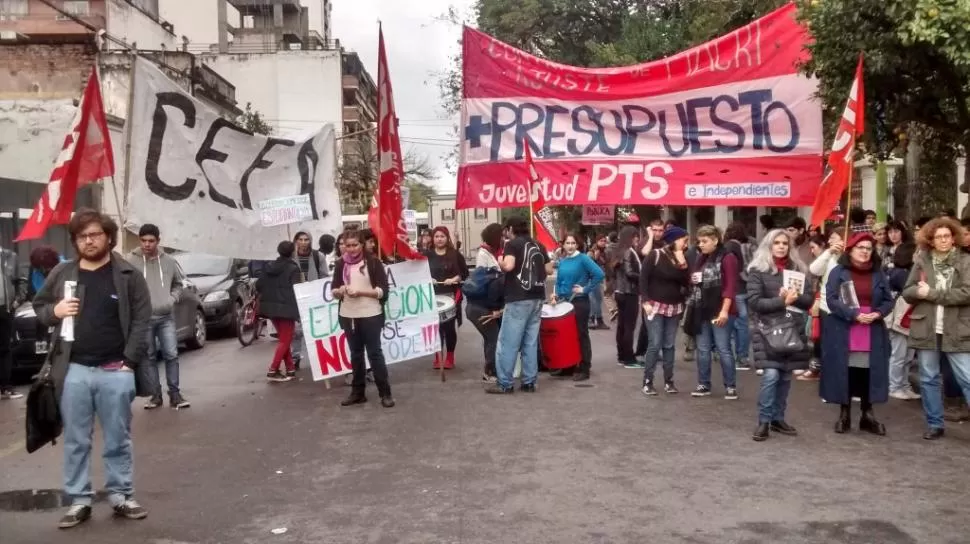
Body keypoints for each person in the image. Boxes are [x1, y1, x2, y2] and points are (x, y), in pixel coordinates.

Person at [33, 209, 152, 528]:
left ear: (109, 237)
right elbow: (40, 307)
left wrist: (130, 361)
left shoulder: (128, 275)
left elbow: (142, 319)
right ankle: (79, 500)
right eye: (82, 236)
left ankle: (121, 495)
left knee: (118, 438)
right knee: (76, 438)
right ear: (75, 241)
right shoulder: (62, 273)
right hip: (74, 371)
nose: (88, 240)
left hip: (116, 370)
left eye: (95, 234)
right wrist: (55, 311)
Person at [902, 217, 970, 440]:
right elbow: (908, 291)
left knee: (967, 378)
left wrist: (931, 293)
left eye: (947, 236)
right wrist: (918, 292)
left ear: (954, 238)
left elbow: (966, 293)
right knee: (928, 378)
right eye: (938, 237)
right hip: (927, 326)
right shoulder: (923, 260)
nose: (943, 240)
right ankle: (935, 424)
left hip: (958, 327)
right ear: (930, 240)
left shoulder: (965, 261)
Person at [747, 229, 814, 441]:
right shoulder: (758, 270)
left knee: (785, 376)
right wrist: (781, 301)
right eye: (777, 243)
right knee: (771, 375)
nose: (781, 246)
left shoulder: (799, 269)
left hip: (792, 329)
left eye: (785, 243)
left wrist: (795, 299)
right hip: (768, 330)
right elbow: (755, 302)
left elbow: (809, 301)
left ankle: (777, 418)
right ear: (769, 245)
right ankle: (764, 421)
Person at [822, 232, 893, 436]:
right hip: (845, 327)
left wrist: (878, 313)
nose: (864, 252)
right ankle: (845, 413)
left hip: (872, 328)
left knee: (868, 372)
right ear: (851, 250)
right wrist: (853, 314)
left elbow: (888, 300)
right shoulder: (838, 272)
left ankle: (867, 414)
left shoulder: (879, 273)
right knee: (847, 370)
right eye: (860, 247)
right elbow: (832, 299)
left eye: (868, 248)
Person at [127, 224, 189, 410]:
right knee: (149, 357)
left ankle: (175, 394)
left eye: (151, 241)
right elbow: (126, 287)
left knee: (171, 354)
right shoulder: (131, 261)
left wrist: (172, 299)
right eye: (143, 240)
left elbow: (178, 284)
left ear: (158, 241)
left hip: (165, 317)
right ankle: (155, 395)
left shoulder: (169, 261)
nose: (147, 244)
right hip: (143, 319)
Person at [487, 216, 550, 394]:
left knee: (508, 342)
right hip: (537, 297)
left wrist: (499, 260)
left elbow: (508, 266)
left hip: (518, 298)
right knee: (530, 342)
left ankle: (505, 383)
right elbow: (549, 269)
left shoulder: (512, 245)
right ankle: (529, 382)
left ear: (511, 229)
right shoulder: (538, 245)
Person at [331, 229, 394, 407]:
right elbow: (334, 290)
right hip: (348, 314)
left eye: (354, 245)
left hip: (371, 314)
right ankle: (358, 392)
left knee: (374, 354)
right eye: (347, 245)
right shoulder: (340, 264)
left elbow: (383, 291)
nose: (350, 249)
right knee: (356, 354)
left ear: (362, 244)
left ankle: (385, 393)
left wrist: (360, 292)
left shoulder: (373, 263)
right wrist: (339, 291)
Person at [685, 225, 740, 400]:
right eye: (699, 241)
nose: (701, 245)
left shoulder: (728, 257)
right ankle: (703, 384)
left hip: (720, 308)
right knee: (703, 349)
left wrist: (724, 311)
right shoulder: (701, 259)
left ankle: (730, 385)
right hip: (702, 307)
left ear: (715, 240)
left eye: (705, 241)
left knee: (723, 348)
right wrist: (694, 280)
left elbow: (731, 286)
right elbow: (694, 280)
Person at [639, 226, 689, 396]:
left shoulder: (682, 258)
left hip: (674, 307)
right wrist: (645, 301)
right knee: (655, 343)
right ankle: (648, 381)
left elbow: (686, 283)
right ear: (674, 239)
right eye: (684, 239)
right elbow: (643, 278)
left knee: (669, 345)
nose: (686, 243)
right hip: (654, 305)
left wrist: (682, 264)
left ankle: (669, 381)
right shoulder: (656, 255)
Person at [551, 233, 604, 382]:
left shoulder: (583, 259)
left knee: (581, 335)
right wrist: (554, 295)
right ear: (563, 245)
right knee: (567, 335)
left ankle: (584, 366)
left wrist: (585, 289)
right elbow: (559, 281)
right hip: (564, 303)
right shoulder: (563, 261)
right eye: (567, 243)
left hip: (580, 302)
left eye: (573, 243)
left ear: (577, 245)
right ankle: (568, 366)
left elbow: (599, 274)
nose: (570, 246)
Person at [801, 227, 847, 381]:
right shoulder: (829, 257)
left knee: (840, 346)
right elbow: (814, 269)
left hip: (844, 308)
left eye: (833, 238)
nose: (829, 241)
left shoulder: (850, 257)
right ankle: (828, 378)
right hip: (825, 307)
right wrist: (828, 252)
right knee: (825, 344)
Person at [255, 241, 303, 382]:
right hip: (287, 309)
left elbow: (259, 285)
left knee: (284, 339)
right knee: (285, 340)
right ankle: (273, 369)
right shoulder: (293, 268)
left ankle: (290, 369)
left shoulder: (269, 266)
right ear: (293, 251)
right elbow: (297, 290)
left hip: (271, 308)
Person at [424, 226, 468, 370]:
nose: (439, 239)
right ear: (433, 238)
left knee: (448, 328)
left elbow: (464, 273)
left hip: (450, 295)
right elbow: (419, 273)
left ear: (447, 238)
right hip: (432, 297)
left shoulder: (454, 254)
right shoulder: (427, 255)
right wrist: (428, 278)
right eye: (436, 236)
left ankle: (449, 356)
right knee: (435, 328)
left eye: (442, 236)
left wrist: (454, 278)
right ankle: (437, 356)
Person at [466, 223, 505, 383]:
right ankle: (491, 373)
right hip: (482, 307)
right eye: (501, 235)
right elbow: (489, 285)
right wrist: (495, 308)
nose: (504, 239)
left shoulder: (491, 253)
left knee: (490, 338)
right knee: (493, 338)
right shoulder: (484, 254)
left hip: (477, 305)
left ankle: (490, 371)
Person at [886, 242, 919, 400]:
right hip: (900, 318)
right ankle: (895, 386)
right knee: (899, 356)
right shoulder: (901, 274)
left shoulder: (902, 271)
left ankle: (904, 385)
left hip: (908, 318)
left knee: (907, 356)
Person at [724, 221, 754, 371]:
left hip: (734, 290)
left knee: (735, 324)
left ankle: (735, 355)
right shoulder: (747, 245)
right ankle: (742, 356)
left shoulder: (729, 246)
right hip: (744, 289)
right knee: (743, 324)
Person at [0, 245, 19, 400]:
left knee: (5, 348)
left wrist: (18, 300)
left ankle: (6, 387)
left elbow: (21, 280)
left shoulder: (11, 257)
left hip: (6, 308)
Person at [587, 234, 610, 329]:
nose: (603, 243)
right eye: (601, 241)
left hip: (599, 278)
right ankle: (596, 320)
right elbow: (588, 266)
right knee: (594, 300)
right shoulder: (592, 252)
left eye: (604, 241)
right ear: (596, 242)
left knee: (598, 299)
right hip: (592, 279)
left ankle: (592, 319)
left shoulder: (604, 252)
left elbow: (606, 264)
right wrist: (595, 259)